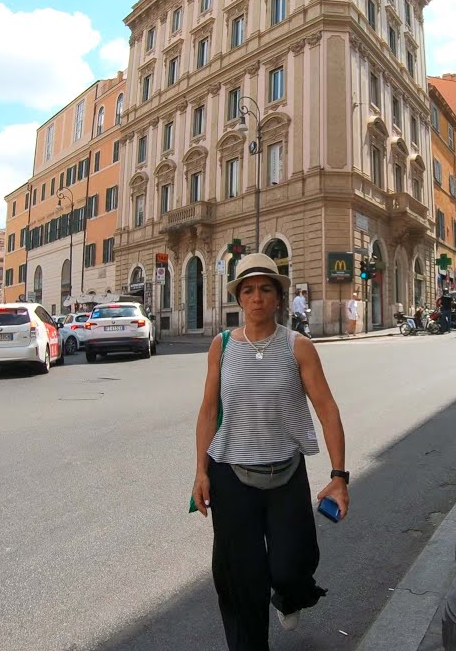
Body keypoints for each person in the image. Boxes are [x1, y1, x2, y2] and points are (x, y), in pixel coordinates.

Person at [192, 253, 348, 650]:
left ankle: (290, 595)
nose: (257, 297)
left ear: (278, 297)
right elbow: (209, 410)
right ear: (239, 299)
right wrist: (201, 472)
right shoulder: (221, 346)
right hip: (230, 475)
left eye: (265, 289)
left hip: (285, 474)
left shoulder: (299, 347)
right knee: (240, 580)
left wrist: (338, 476)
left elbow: (327, 409)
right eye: (248, 290)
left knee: (292, 568)